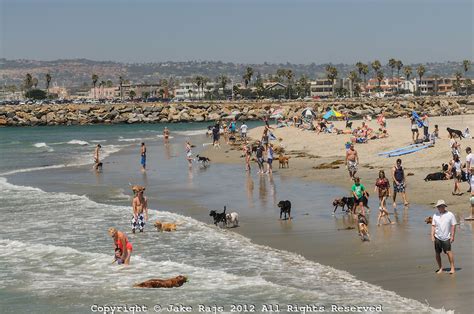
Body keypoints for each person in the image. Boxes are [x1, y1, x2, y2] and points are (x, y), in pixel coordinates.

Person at [431, 200, 457, 274]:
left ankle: (452, 268)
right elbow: (433, 226)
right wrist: (432, 235)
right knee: (437, 253)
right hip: (437, 237)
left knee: (448, 252)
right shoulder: (435, 215)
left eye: (440, 206)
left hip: (446, 237)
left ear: (444, 206)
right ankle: (440, 268)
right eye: (438, 206)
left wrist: (452, 236)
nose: (439, 208)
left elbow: (453, 225)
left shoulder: (450, 214)